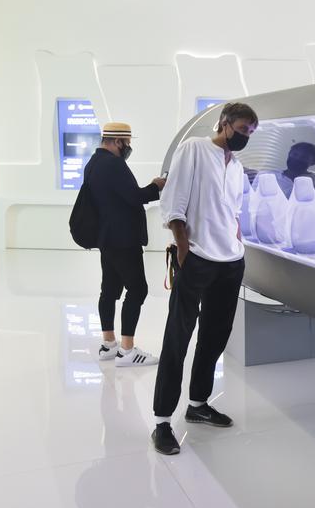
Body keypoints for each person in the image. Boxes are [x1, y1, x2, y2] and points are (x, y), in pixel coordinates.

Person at [151, 102, 259, 455]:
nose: (246, 137)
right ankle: (162, 421)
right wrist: (183, 249)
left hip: (230, 262)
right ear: (225, 124)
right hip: (197, 257)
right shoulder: (195, 149)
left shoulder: (238, 166)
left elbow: (234, 212)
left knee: (214, 338)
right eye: (243, 130)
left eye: (251, 133)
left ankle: (198, 404)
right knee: (178, 338)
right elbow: (174, 202)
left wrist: (238, 243)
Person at [85, 122, 165, 367]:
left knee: (109, 289)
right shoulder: (114, 164)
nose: (129, 148)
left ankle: (108, 344)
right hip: (124, 239)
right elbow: (135, 197)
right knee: (137, 289)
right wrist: (156, 187)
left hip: (107, 237)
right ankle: (128, 351)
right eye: (128, 143)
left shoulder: (93, 164)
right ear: (118, 141)